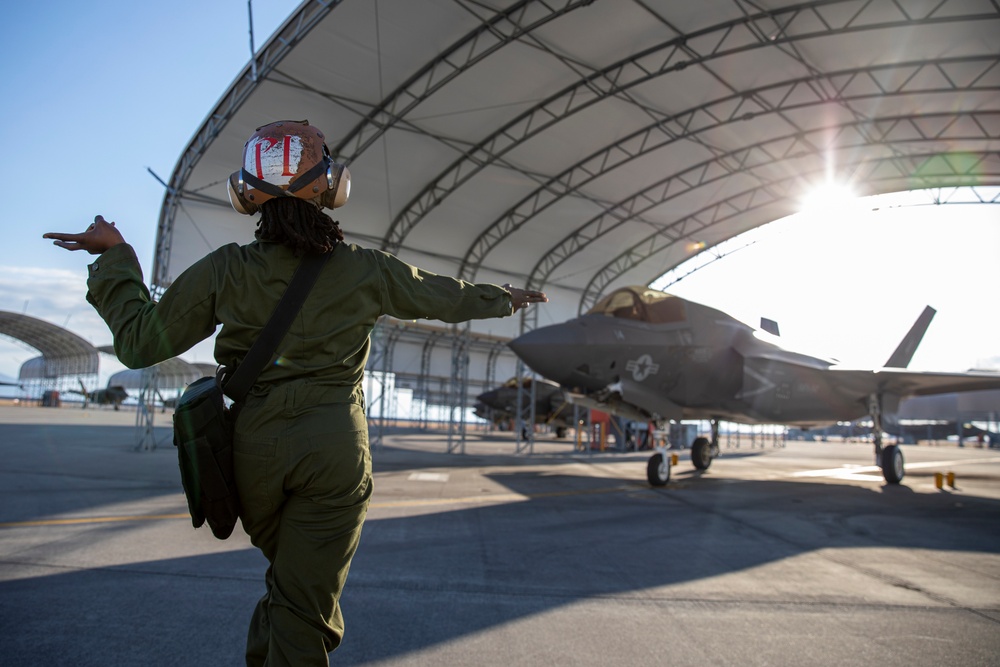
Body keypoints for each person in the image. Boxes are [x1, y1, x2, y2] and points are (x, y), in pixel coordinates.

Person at [44, 119, 547, 666]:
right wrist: (504, 299)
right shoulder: (366, 270)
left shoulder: (225, 271)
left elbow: (140, 343)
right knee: (303, 609)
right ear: (331, 186)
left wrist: (116, 256)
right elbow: (443, 296)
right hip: (334, 453)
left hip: (254, 455)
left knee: (289, 593)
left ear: (246, 193)